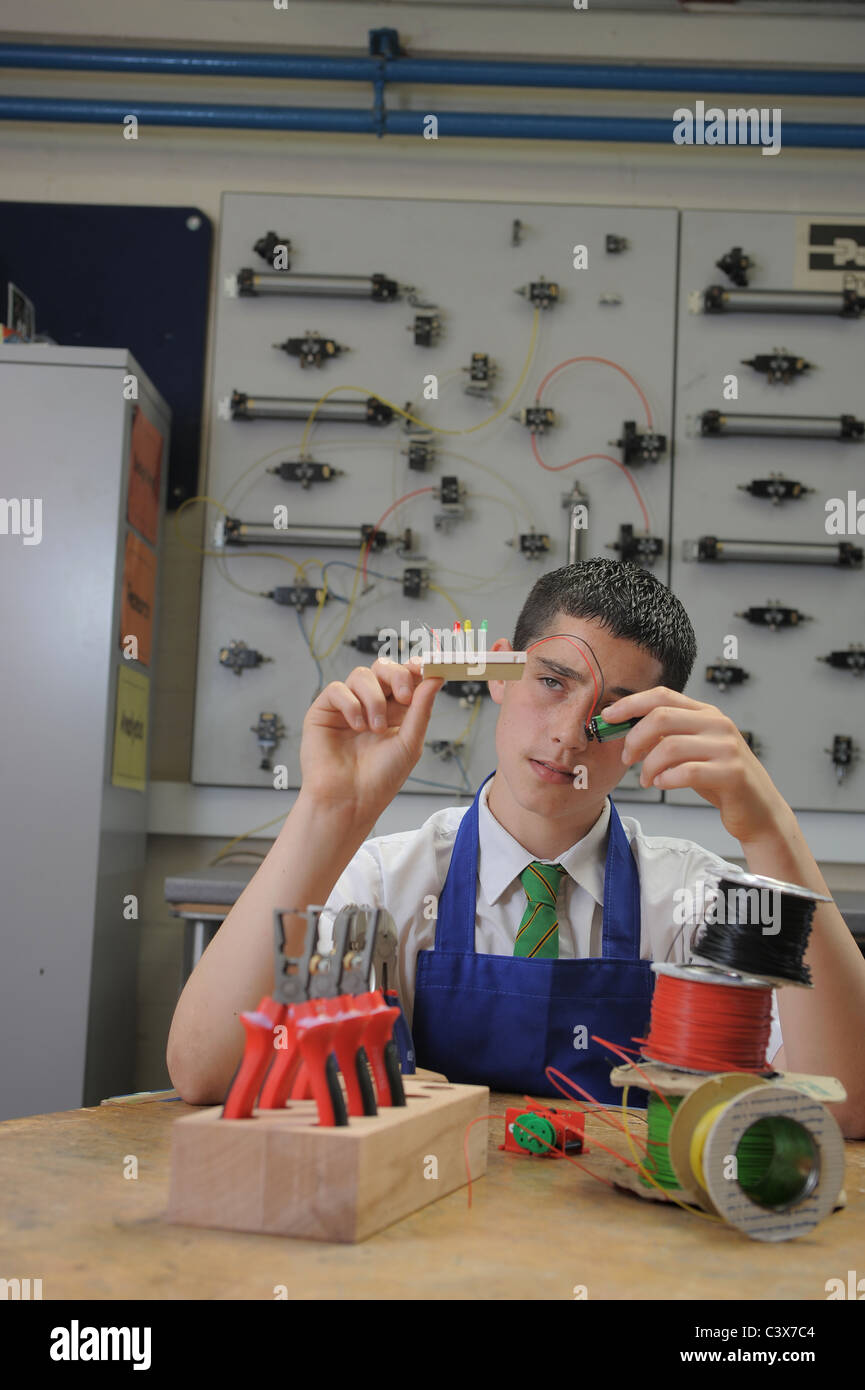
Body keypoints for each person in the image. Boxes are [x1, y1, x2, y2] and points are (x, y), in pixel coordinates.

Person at [167, 559, 865, 1136]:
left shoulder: (696, 902)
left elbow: (845, 1106)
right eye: (551, 682)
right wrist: (330, 810)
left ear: (655, 729)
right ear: (501, 678)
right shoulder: (388, 882)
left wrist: (771, 832)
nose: (568, 734)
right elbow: (204, 1070)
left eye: (612, 713)